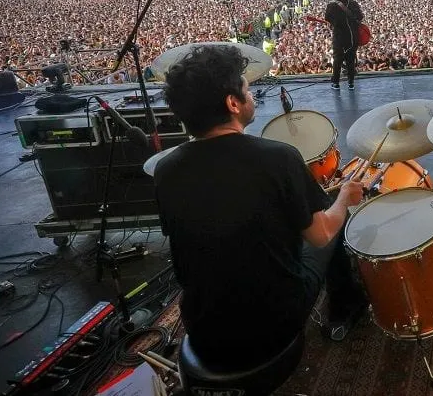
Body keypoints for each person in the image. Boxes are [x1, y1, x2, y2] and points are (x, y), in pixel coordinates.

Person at [154, 44, 368, 375]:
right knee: (332, 221)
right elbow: (321, 233)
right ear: (232, 103)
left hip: (203, 330)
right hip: (273, 325)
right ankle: (346, 306)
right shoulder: (278, 158)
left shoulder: (165, 170)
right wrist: (344, 198)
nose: (252, 95)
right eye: (247, 88)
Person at [325, 0, 364, 90]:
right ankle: (351, 83)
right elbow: (360, 17)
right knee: (351, 60)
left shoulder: (331, 6)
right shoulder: (353, 4)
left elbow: (327, 18)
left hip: (339, 38)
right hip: (352, 37)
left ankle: (336, 83)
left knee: (337, 60)